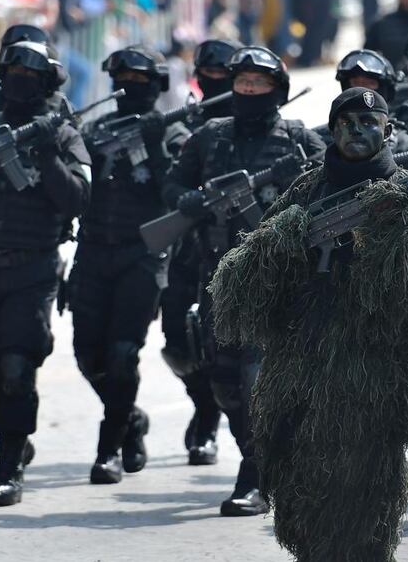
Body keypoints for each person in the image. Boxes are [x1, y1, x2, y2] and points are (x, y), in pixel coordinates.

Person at [208, 86, 408, 560]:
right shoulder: (306, 190)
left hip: (374, 375)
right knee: (302, 496)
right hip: (301, 367)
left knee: (367, 506)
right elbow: (241, 285)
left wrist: (390, 234)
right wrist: (285, 239)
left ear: (388, 129)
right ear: (331, 130)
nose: (357, 131)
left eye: (368, 121)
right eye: (345, 122)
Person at [164, 46, 325, 516]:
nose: (249, 90)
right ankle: (265, 461)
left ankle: (255, 476)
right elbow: (172, 186)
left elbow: (334, 188)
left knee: (258, 380)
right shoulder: (210, 137)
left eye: (259, 83)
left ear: (277, 90)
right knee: (224, 383)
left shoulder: (297, 140)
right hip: (218, 276)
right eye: (242, 83)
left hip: (277, 280)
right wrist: (191, 201)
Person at [0, 41, 91, 506]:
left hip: (34, 267)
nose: (19, 78)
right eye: (11, 69)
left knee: (16, 365)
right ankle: (13, 435)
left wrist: (47, 157)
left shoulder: (63, 134)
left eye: (30, 72)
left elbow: (78, 200)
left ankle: (8, 464)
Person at [73, 46, 189, 485]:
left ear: (157, 85)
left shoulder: (172, 131)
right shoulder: (99, 130)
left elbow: (175, 191)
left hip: (141, 257)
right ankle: (130, 418)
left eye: (140, 80)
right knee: (89, 355)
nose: (130, 87)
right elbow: (74, 182)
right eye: (122, 79)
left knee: (123, 354)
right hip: (93, 252)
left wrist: (156, 142)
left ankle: (109, 447)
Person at [159, 38, 241, 468]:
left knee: (228, 345)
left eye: (222, 75)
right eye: (206, 74)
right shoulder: (187, 124)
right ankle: (203, 405)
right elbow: (166, 183)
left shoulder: (255, 123)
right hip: (187, 246)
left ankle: (222, 418)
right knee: (177, 340)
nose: (214, 82)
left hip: (235, 248)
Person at [0, 24, 71, 126]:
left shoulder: (59, 109)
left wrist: (52, 142)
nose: (21, 76)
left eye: (29, 72)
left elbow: (75, 143)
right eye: (14, 69)